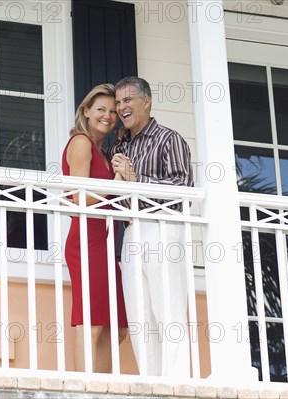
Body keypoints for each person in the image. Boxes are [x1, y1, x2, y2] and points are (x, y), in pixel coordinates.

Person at [109, 76, 194, 378]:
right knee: (140, 318)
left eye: (128, 100)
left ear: (147, 101)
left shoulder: (169, 139)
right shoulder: (120, 145)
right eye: (118, 102)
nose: (121, 107)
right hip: (131, 232)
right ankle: (153, 385)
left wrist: (135, 180)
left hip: (161, 228)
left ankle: (179, 386)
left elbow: (183, 191)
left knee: (168, 312)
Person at [62, 83, 128, 373]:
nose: (108, 116)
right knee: (92, 322)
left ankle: (103, 387)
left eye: (113, 111)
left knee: (116, 326)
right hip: (85, 240)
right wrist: (114, 184)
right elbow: (78, 199)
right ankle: (85, 389)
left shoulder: (104, 152)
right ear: (86, 111)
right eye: (100, 109)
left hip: (104, 242)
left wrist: (123, 176)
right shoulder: (80, 142)